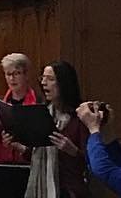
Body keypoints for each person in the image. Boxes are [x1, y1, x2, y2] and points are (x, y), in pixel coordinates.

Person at [36, 62, 88, 198]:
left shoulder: (81, 117)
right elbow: (37, 154)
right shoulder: (43, 114)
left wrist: (73, 151)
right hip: (44, 188)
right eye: (43, 78)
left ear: (64, 83)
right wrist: (19, 146)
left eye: (50, 79)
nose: (44, 83)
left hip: (71, 190)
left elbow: (93, 162)